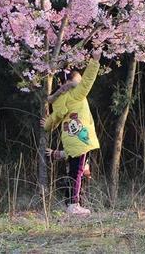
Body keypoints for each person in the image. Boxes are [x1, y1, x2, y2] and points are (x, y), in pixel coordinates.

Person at [41, 52, 101, 216]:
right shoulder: (77, 93)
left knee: (75, 171)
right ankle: (74, 204)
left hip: (70, 140)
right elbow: (88, 80)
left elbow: (52, 121)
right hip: (82, 140)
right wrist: (94, 61)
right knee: (77, 172)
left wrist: (46, 124)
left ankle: (72, 203)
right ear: (74, 81)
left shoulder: (59, 101)